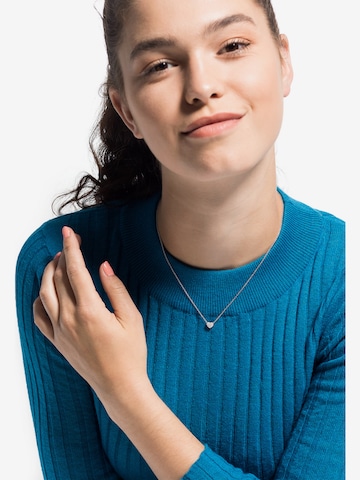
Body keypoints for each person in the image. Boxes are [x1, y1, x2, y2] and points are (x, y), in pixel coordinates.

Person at [15, 0, 345, 478]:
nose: (202, 87)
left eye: (232, 45)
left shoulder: (342, 279)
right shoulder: (67, 271)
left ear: (283, 62)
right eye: (161, 65)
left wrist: (126, 394)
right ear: (126, 109)